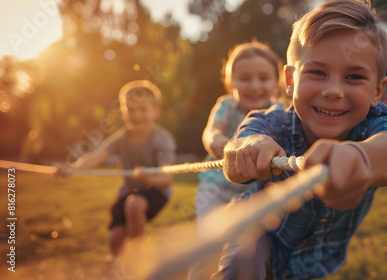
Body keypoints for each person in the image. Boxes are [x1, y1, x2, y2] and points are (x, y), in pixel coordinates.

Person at [216, 0, 387, 279]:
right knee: (242, 267)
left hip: (314, 260)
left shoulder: (376, 123)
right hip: (255, 229)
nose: (333, 91)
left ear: (377, 91)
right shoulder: (272, 121)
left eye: (354, 77)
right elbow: (235, 155)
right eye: (317, 72)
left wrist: (362, 158)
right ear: (290, 80)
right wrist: (248, 148)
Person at [188, 41, 284, 279]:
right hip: (216, 189)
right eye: (244, 78)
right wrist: (226, 146)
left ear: (277, 82)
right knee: (209, 246)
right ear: (230, 83)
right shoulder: (227, 105)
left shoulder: (279, 111)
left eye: (263, 78)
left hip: (255, 193)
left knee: (246, 249)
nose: (254, 86)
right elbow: (211, 133)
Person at [55, 80, 176, 262]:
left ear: (156, 112)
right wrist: (71, 168)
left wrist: (148, 178)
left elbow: (166, 179)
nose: (136, 115)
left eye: (143, 110)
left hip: (156, 190)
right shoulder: (121, 138)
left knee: (134, 205)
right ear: (124, 112)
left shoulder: (162, 139)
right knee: (115, 237)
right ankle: (116, 265)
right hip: (129, 192)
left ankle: (137, 256)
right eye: (131, 110)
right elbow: (96, 156)